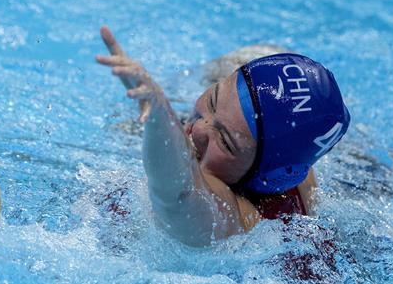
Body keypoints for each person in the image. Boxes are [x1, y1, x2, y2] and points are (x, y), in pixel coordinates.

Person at [96, 26, 350, 246]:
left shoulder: (249, 223)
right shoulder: (284, 143)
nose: (197, 129)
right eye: (214, 99)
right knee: (260, 52)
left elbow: (178, 196)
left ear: (266, 178)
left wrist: (159, 115)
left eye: (226, 142)